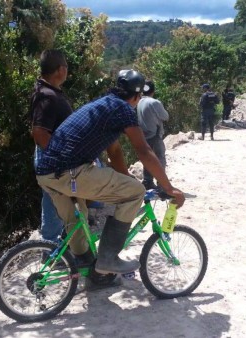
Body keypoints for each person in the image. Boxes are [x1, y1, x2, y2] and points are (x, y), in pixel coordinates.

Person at [36, 69, 185, 275]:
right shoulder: (123, 110)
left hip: (46, 173)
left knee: (77, 217)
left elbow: (114, 150)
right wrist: (168, 188)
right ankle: (108, 258)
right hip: (70, 171)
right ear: (136, 96)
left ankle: (89, 268)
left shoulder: (104, 104)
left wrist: (125, 176)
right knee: (135, 193)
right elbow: (143, 150)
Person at [29, 49, 72, 242]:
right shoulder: (47, 96)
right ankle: (51, 251)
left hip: (53, 156)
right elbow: (39, 132)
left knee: (57, 202)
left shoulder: (48, 92)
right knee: (53, 203)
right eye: (66, 67)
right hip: (51, 159)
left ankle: (60, 247)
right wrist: (58, 158)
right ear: (60, 70)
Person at [136, 80, 169, 190]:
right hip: (155, 135)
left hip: (143, 135)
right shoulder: (154, 102)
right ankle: (162, 184)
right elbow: (165, 116)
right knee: (160, 159)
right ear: (153, 90)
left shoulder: (139, 102)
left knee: (148, 159)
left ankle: (147, 181)